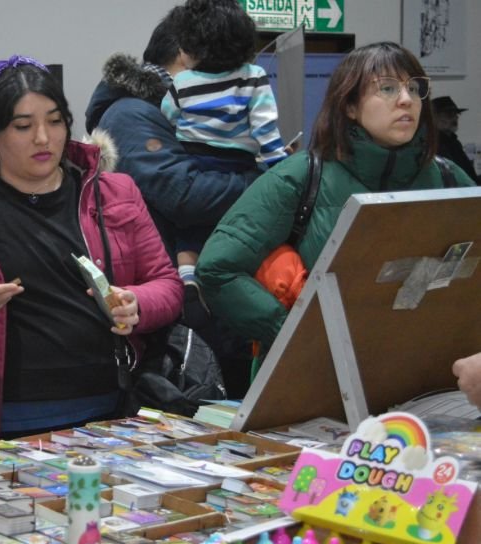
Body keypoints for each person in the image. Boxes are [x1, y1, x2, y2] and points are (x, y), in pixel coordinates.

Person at [0, 56, 182, 445]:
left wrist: (136, 302)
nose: (43, 138)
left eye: (55, 121)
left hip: (112, 415)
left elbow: (167, 285)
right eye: (23, 126)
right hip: (5, 423)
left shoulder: (112, 194)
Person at [196, 42, 476, 352]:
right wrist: (293, 332)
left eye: (415, 87)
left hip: (425, 367)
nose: (406, 100)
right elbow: (217, 268)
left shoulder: (447, 178)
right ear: (350, 106)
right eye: (387, 88)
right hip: (323, 374)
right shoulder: (302, 175)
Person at [85, 6, 260, 398]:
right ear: (186, 52)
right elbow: (184, 193)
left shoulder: (188, 115)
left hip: (205, 299)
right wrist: (266, 180)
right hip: (172, 310)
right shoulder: (130, 114)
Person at [158, 0, 287, 289]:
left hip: (195, 162)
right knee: (234, 227)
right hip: (238, 164)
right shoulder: (253, 76)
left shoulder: (182, 82)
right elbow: (265, 130)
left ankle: (188, 278)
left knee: (189, 232)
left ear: (192, 47)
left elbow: (167, 117)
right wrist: (280, 169)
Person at [431, 95, 479, 183]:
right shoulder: (433, 144)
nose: (455, 117)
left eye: (456, 114)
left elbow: (466, 171)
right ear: (434, 117)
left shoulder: (453, 141)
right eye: (449, 114)